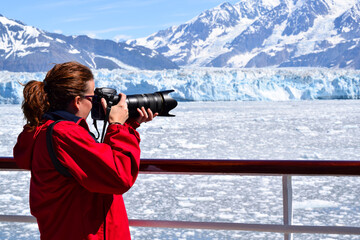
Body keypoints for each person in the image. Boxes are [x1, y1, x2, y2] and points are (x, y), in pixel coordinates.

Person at [13, 61, 157, 239]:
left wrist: (129, 126)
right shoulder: (65, 135)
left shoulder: (43, 130)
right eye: (92, 97)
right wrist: (117, 126)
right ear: (77, 101)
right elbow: (119, 177)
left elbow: (96, 166)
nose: (96, 103)